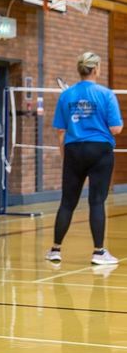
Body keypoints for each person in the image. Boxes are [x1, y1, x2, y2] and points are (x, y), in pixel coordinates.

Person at [45, 52, 122, 265]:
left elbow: (61, 130)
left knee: (67, 202)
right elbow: (116, 129)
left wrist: (65, 156)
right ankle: (98, 252)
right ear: (96, 69)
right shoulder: (105, 94)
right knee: (96, 201)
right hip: (99, 151)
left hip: (73, 150)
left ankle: (55, 249)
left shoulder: (66, 95)